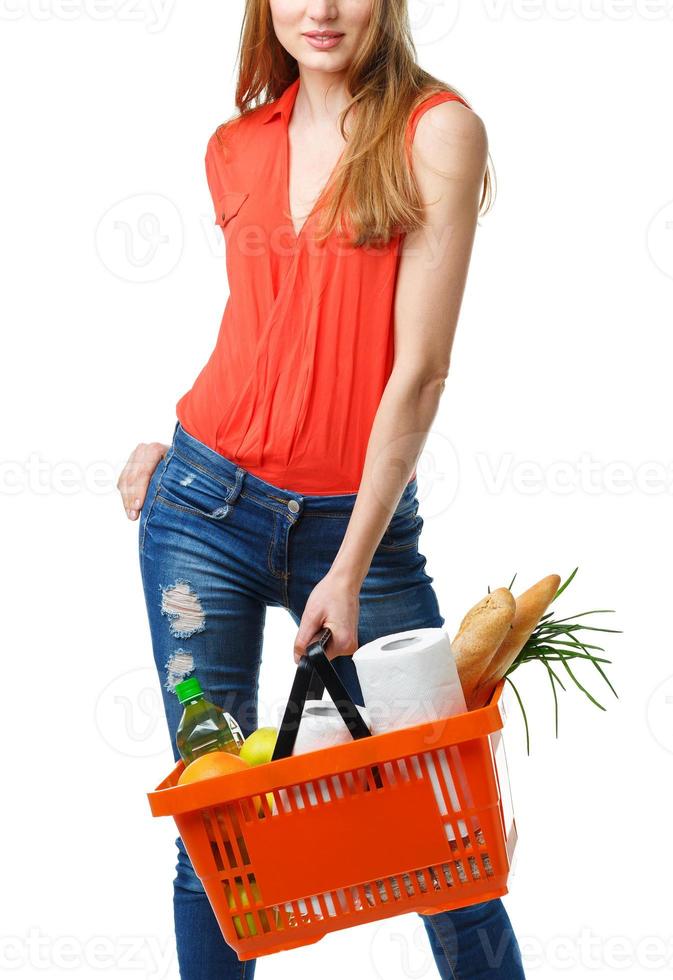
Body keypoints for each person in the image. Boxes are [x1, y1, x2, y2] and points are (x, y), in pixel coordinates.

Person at [117, 2, 526, 978]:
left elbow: (418, 371)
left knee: (441, 832)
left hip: (363, 536)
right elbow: (268, 333)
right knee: (217, 834)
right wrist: (169, 448)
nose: (323, 9)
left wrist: (343, 570)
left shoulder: (436, 131)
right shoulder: (234, 146)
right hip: (201, 511)